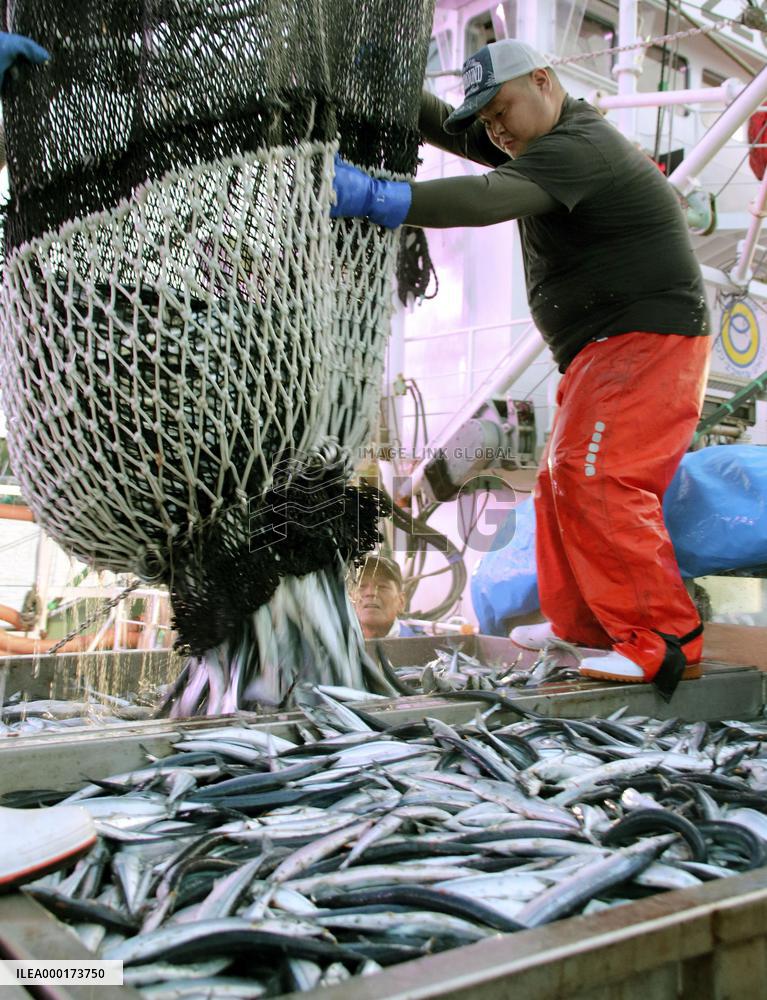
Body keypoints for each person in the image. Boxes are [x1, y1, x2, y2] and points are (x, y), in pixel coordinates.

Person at [331, 39, 710, 698]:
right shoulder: (534, 142)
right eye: (485, 120)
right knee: (562, 481)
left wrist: (371, 195)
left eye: (500, 108)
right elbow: (450, 126)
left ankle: (663, 642)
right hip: (601, 348)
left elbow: (482, 198)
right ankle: (587, 630)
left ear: (542, 80)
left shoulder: (575, 149)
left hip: (646, 339)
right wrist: (383, 85)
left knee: (598, 477)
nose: (493, 128)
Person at [350, 554, 422, 639]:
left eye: (382, 586)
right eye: (361, 586)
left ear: (401, 602)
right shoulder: (336, 644)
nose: (371, 593)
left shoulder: (426, 646)